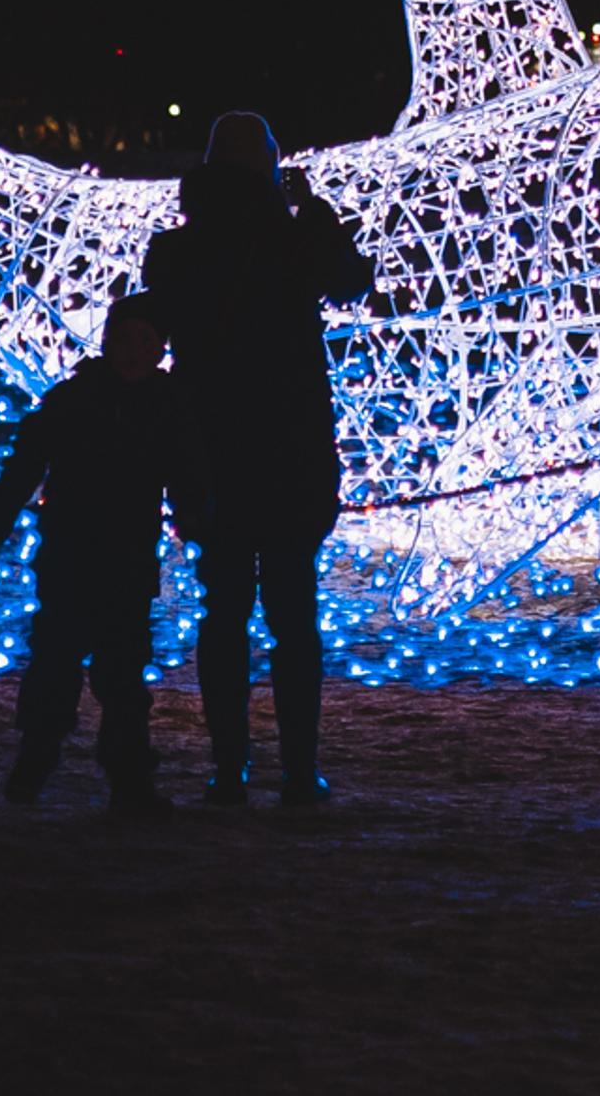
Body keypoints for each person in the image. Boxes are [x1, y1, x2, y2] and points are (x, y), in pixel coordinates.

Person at [133, 110, 370, 806]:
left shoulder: (175, 250)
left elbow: (155, 332)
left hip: (212, 452)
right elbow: (355, 279)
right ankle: (299, 772)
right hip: (290, 449)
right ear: (268, 164)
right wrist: (313, 207)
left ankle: (229, 767)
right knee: (294, 613)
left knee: (223, 609)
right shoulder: (295, 238)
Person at [0, 295, 176, 811]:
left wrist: (204, 518)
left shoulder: (169, 407)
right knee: (56, 660)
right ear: (106, 342)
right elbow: (22, 472)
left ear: (159, 350)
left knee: (123, 671)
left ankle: (129, 779)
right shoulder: (72, 400)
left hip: (127, 562)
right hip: (71, 557)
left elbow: (190, 476)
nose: (132, 353)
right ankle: (35, 759)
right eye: (124, 340)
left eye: (145, 343)